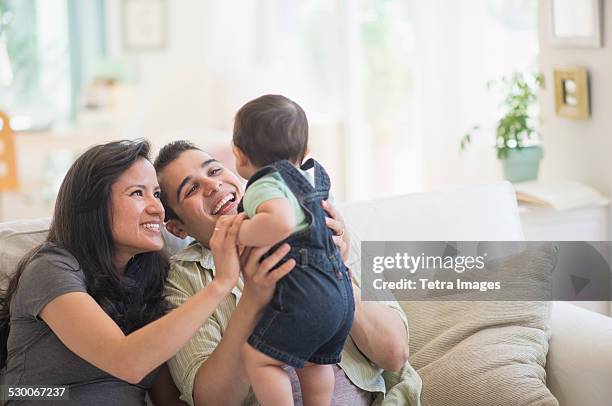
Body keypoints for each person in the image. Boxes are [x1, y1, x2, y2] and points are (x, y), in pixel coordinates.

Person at [0, 139, 293, 405]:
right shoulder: (51, 268)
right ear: (94, 207)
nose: (157, 209)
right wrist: (221, 284)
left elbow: (167, 398)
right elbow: (126, 360)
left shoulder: (150, 280)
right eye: (138, 193)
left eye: (156, 194)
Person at [155, 140, 422, 406]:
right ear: (178, 229)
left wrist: (335, 269)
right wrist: (252, 300)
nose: (213, 185)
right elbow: (212, 401)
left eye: (214, 171)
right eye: (191, 189)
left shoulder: (322, 222)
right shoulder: (184, 279)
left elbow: (394, 354)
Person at [231, 94, 354, 406]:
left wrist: (241, 230)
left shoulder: (264, 184)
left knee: (258, 358)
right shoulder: (312, 179)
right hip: (341, 295)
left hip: (308, 296)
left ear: (239, 155)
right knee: (316, 362)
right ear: (306, 152)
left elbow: (281, 221)